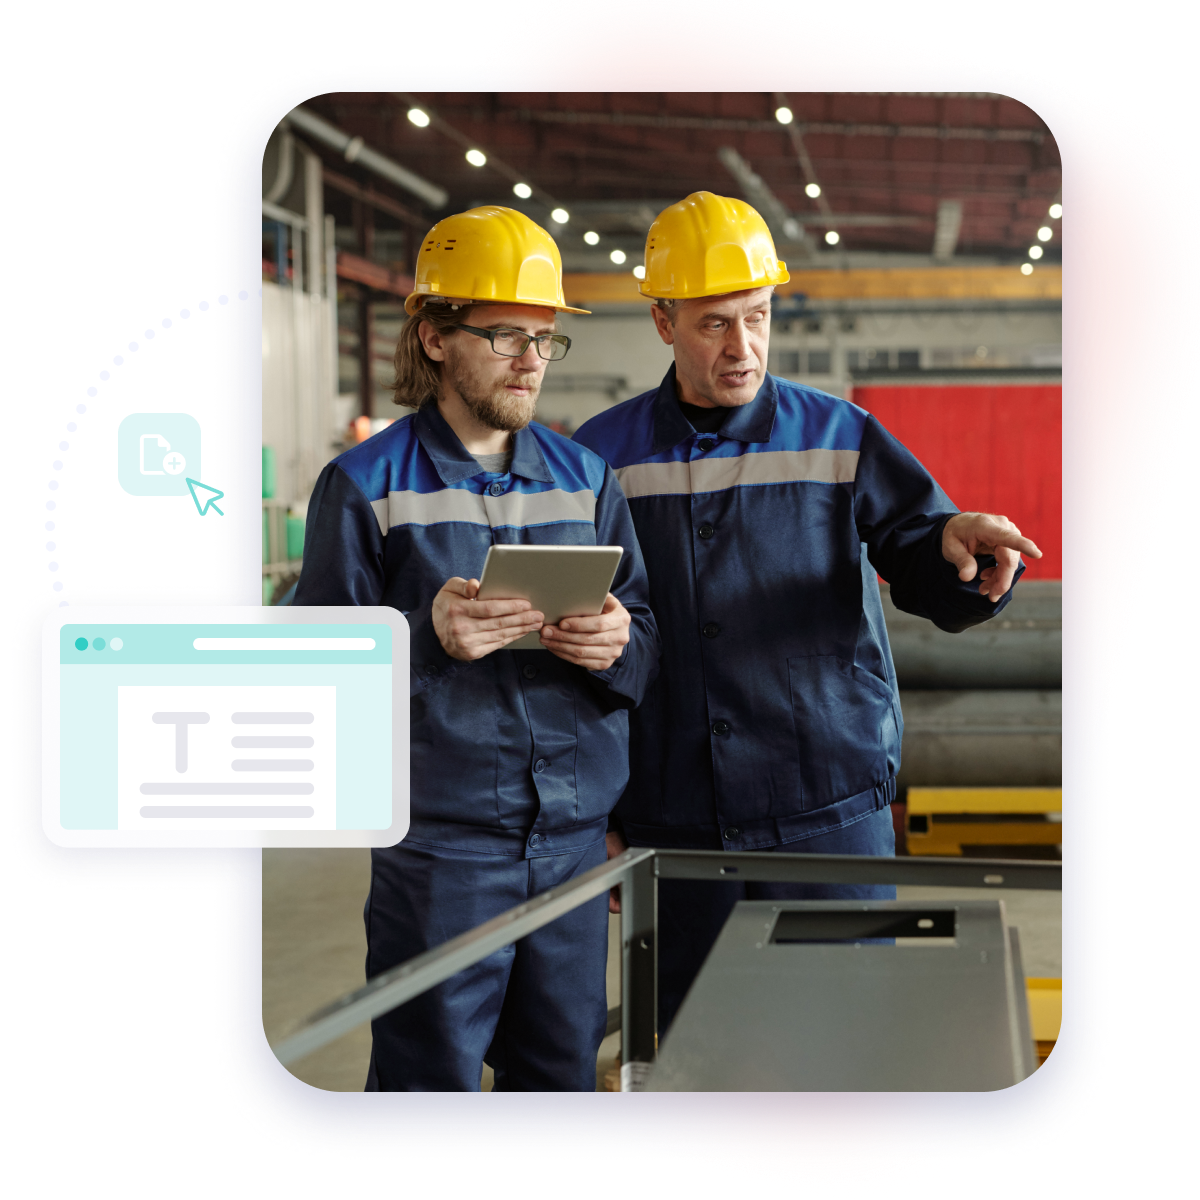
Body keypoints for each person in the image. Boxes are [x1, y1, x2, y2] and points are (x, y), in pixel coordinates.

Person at [573, 191, 1042, 1036]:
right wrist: (595, 813)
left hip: (827, 806)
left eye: (757, 316)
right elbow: (579, 644)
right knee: (693, 1052)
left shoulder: (838, 434)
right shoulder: (599, 457)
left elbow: (915, 542)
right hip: (673, 815)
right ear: (662, 321)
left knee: (846, 1042)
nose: (742, 346)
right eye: (715, 324)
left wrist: (954, 546)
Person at [293, 205, 659, 1091]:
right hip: (441, 856)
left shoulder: (586, 478)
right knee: (430, 1088)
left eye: (544, 338)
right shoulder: (363, 487)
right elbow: (308, 692)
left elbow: (646, 645)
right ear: (432, 336)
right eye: (504, 335)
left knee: (560, 1083)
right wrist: (426, 640)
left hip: (571, 847)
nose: (531, 359)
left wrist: (618, 643)